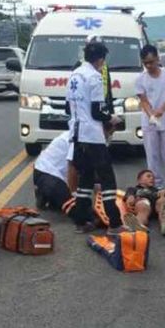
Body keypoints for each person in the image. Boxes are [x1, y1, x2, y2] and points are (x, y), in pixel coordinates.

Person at [66, 41, 126, 234]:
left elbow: (68, 107)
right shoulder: (94, 77)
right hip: (92, 135)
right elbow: (97, 111)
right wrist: (112, 118)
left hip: (76, 133)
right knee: (107, 180)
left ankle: (81, 222)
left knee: (85, 179)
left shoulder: (74, 75)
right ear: (101, 59)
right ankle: (115, 224)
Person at [135, 44, 165, 198]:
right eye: (146, 63)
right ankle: (156, 186)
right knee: (152, 156)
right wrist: (152, 115)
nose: (149, 65)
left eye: (151, 61)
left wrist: (161, 110)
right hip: (149, 123)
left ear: (157, 58)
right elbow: (143, 100)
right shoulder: (140, 78)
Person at [122, 169, 165, 236]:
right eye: (148, 176)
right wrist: (130, 197)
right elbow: (129, 195)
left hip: (157, 207)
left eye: (153, 177)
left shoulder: (158, 190)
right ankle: (138, 224)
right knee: (143, 204)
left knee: (163, 201)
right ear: (139, 180)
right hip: (144, 206)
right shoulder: (133, 189)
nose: (152, 178)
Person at [33, 132, 73, 211]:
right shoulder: (76, 140)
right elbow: (73, 169)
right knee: (75, 208)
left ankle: (49, 196)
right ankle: (45, 192)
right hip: (48, 173)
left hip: (46, 171)